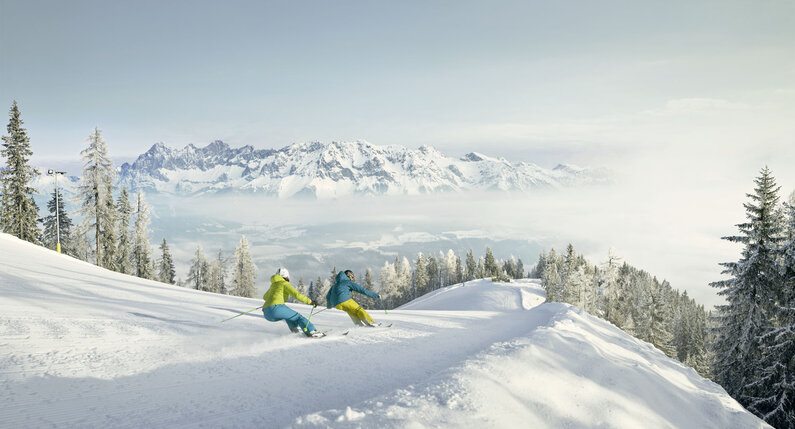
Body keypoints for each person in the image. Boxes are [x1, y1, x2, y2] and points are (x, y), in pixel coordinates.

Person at [262, 268, 325, 337]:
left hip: (266, 312)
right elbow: (296, 295)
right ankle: (312, 331)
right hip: (276, 308)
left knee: (289, 317)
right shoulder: (284, 283)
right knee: (299, 317)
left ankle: (296, 331)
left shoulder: (273, 285)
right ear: (286, 276)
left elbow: (265, 297)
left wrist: (271, 300)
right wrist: (310, 301)